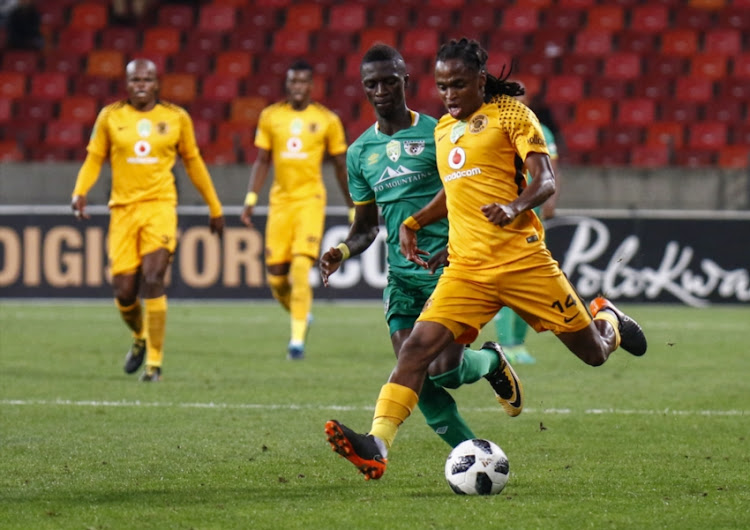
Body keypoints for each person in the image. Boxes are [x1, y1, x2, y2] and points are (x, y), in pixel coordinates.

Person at [324, 38, 647, 481]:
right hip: (467, 270)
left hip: (522, 263)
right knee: (417, 352)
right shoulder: (442, 131)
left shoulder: (512, 115)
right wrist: (415, 220)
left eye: (458, 85)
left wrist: (515, 208)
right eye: (442, 87)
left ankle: (607, 318)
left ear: (479, 80)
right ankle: (377, 444)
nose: (450, 96)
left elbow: (545, 180)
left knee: (594, 354)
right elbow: (455, 191)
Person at [320, 44, 523, 452]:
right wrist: (341, 251)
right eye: (371, 84)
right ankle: (471, 454)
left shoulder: (440, 133)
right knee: (414, 373)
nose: (381, 90)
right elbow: (365, 228)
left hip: (448, 271)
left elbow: (467, 192)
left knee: (446, 371)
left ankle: (490, 361)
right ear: (363, 88)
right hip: (401, 280)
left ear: (405, 81)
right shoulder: (360, 153)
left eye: (389, 81)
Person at [71, 58, 225, 382]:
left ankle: (154, 363)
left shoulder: (175, 117)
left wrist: (215, 206)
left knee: (153, 278)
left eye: (147, 79)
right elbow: (94, 157)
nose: (141, 84)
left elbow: (193, 162)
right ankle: (140, 336)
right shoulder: (111, 117)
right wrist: (79, 191)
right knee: (124, 290)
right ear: (127, 84)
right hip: (123, 210)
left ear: (157, 83)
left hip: (160, 206)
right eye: (135, 79)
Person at [241, 59, 353, 360]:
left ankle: (297, 341)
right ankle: (300, 313)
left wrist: (352, 205)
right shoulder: (271, 116)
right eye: (293, 82)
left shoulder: (327, 119)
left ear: (311, 86)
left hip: (310, 201)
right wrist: (251, 199)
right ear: (287, 85)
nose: (298, 87)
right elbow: (263, 160)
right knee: (276, 278)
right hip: (280, 203)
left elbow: (340, 166)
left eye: (303, 82)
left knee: (301, 267)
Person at [493, 86, 562, 365]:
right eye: (511, 101)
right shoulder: (493, 129)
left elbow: (550, 170)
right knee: (505, 278)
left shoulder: (540, 131)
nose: (516, 105)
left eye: (520, 100)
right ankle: (506, 342)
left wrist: (550, 201)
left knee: (527, 279)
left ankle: (517, 342)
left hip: (530, 214)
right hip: (502, 214)